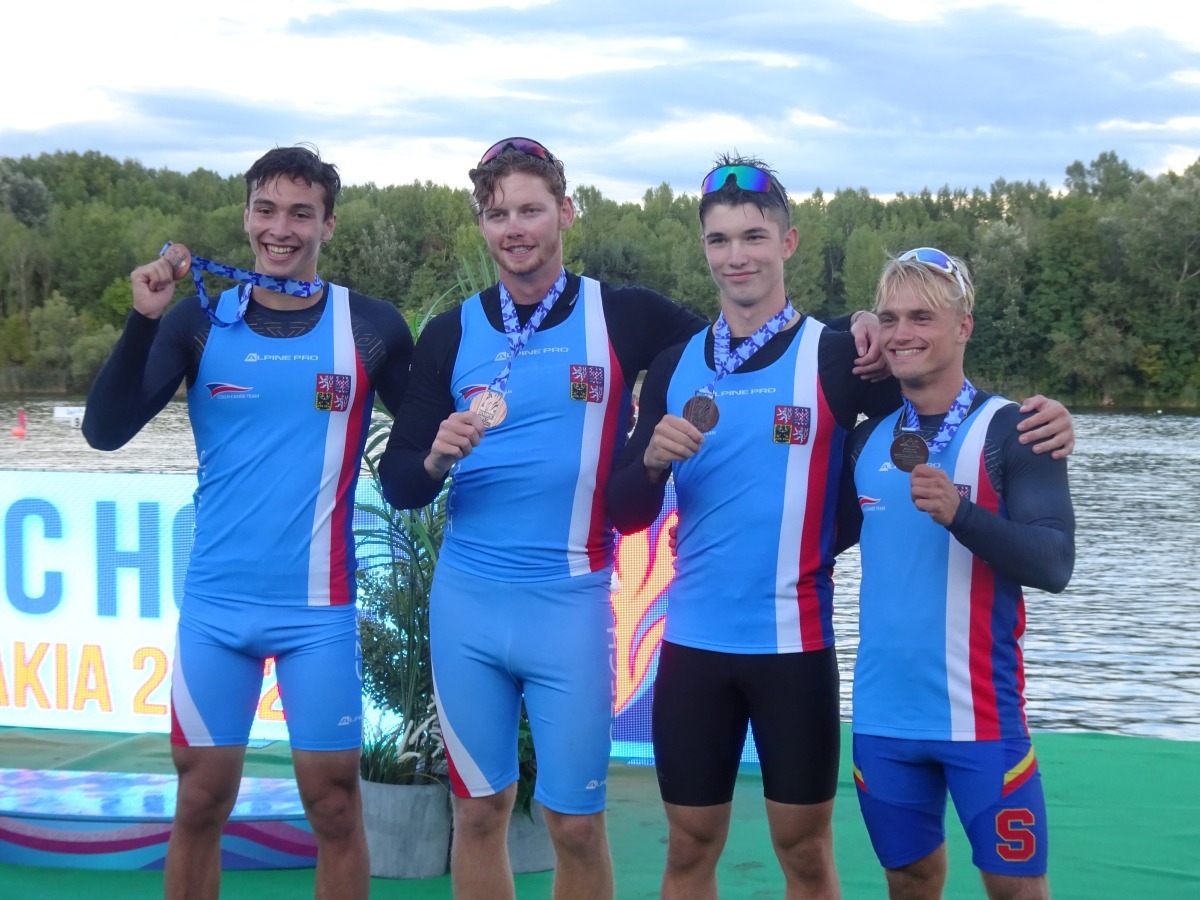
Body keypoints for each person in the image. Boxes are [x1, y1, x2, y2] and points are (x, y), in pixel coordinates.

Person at [604, 158, 1074, 899]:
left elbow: (933, 398)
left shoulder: (841, 355)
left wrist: (1045, 423)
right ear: (704, 250)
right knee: (688, 847)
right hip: (693, 644)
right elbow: (625, 512)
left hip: (795, 646)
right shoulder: (672, 365)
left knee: (805, 852)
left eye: (754, 236)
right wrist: (654, 464)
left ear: (788, 243)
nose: (737, 256)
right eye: (720, 240)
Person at [374, 136, 712, 900]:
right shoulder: (452, 332)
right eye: (498, 215)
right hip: (467, 604)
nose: (515, 229)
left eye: (531, 210)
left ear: (566, 211)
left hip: (570, 603)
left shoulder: (621, 315)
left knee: (576, 824)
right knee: (478, 811)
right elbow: (399, 483)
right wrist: (435, 458)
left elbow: (739, 346)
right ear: (482, 225)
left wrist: (851, 329)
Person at [82, 145, 413, 900]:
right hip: (216, 608)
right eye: (266, 210)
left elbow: (417, 454)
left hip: (317, 613)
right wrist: (141, 321)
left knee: (335, 806)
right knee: (200, 801)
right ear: (246, 216)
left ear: (328, 224)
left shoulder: (371, 327)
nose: (280, 229)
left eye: (301, 213)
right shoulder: (198, 320)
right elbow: (104, 432)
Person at [837, 248, 1075, 900]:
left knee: (1015, 889)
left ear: (963, 326)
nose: (902, 333)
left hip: (982, 718)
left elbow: (1054, 563)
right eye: (889, 318)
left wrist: (962, 515)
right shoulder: (864, 439)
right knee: (909, 882)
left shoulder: (1016, 429)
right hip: (884, 717)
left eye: (922, 317)